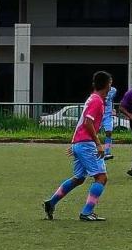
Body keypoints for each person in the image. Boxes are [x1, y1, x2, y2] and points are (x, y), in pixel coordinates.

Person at [43, 71, 112, 222]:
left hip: (81, 143)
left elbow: (83, 122)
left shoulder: (92, 98)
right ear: (107, 85)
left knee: (79, 178)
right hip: (86, 143)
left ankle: (51, 203)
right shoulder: (97, 100)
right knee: (101, 177)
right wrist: (98, 144)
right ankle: (86, 212)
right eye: (110, 84)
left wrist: (76, 144)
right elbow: (87, 123)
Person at [102, 81, 118, 160]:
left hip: (108, 114)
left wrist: (113, 109)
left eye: (110, 82)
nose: (109, 84)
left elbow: (111, 100)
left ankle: (107, 152)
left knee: (109, 132)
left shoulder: (113, 90)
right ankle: (92, 151)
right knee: (93, 133)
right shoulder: (99, 90)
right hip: (99, 113)